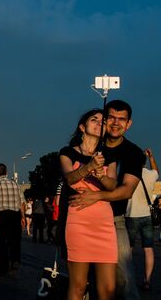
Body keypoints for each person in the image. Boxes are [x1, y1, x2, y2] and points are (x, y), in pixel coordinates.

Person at [69, 100, 147, 300]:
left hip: (114, 221)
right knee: (82, 282)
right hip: (80, 219)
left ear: (128, 124)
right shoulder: (87, 143)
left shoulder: (133, 153)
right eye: (111, 117)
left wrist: (96, 196)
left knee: (123, 280)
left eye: (121, 119)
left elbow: (127, 190)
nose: (115, 123)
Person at [60, 108, 119, 300]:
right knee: (77, 286)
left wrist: (101, 176)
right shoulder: (67, 153)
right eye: (94, 120)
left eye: (103, 121)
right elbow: (69, 178)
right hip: (79, 221)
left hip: (104, 224)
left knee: (108, 289)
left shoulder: (108, 156)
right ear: (82, 127)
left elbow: (112, 185)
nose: (99, 123)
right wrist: (90, 167)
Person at [125, 148, 160, 291]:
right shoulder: (150, 175)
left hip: (131, 214)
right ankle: (147, 280)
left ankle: (127, 278)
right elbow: (156, 171)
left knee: (128, 250)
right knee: (148, 249)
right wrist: (151, 157)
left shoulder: (127, 174)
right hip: (147, 215)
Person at [0, 163, 25, 277]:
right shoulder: (15, 185)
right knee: (15, 241)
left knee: (0, 243)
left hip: (0, 216)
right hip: (14, 215)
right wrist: (22, 217)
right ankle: (15, 260)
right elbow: (21, 202)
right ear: (6, 172)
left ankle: (2, 268)